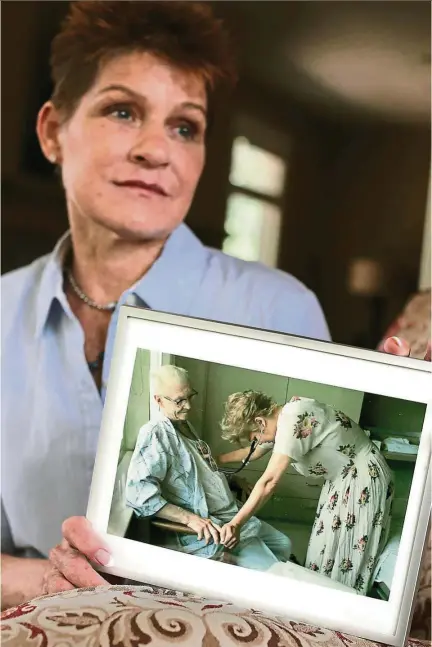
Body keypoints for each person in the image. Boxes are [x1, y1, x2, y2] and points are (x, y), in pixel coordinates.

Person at [0, 0, 425, 608]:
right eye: (123, 111)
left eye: (185, 126)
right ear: (51, 132)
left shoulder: (281, 307)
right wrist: (37, 579)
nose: (157, 150)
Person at [217, 392, 394, 594]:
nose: (256, 441)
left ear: (259, 422)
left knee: (348, 547)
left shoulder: (293, 419)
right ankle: (322, 594)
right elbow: (254, 452)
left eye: (254, 437)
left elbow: (269, 482)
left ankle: (342, 603)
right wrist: (216, 459)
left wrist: (236, 523)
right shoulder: (280, 420)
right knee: (327, 543)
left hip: (362, 476)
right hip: (342, 478)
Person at [125, 365, 292, 571]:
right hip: (217, 527)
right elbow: (138, 495)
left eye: (190, 397)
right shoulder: (155, 433)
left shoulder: (184, 425)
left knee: (283, 544)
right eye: (179, 401)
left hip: (231, 513)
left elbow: (198, 472)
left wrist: (231, 480)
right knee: (273, 571)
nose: (188, 406)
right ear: (159, 400)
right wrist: (190, 519)